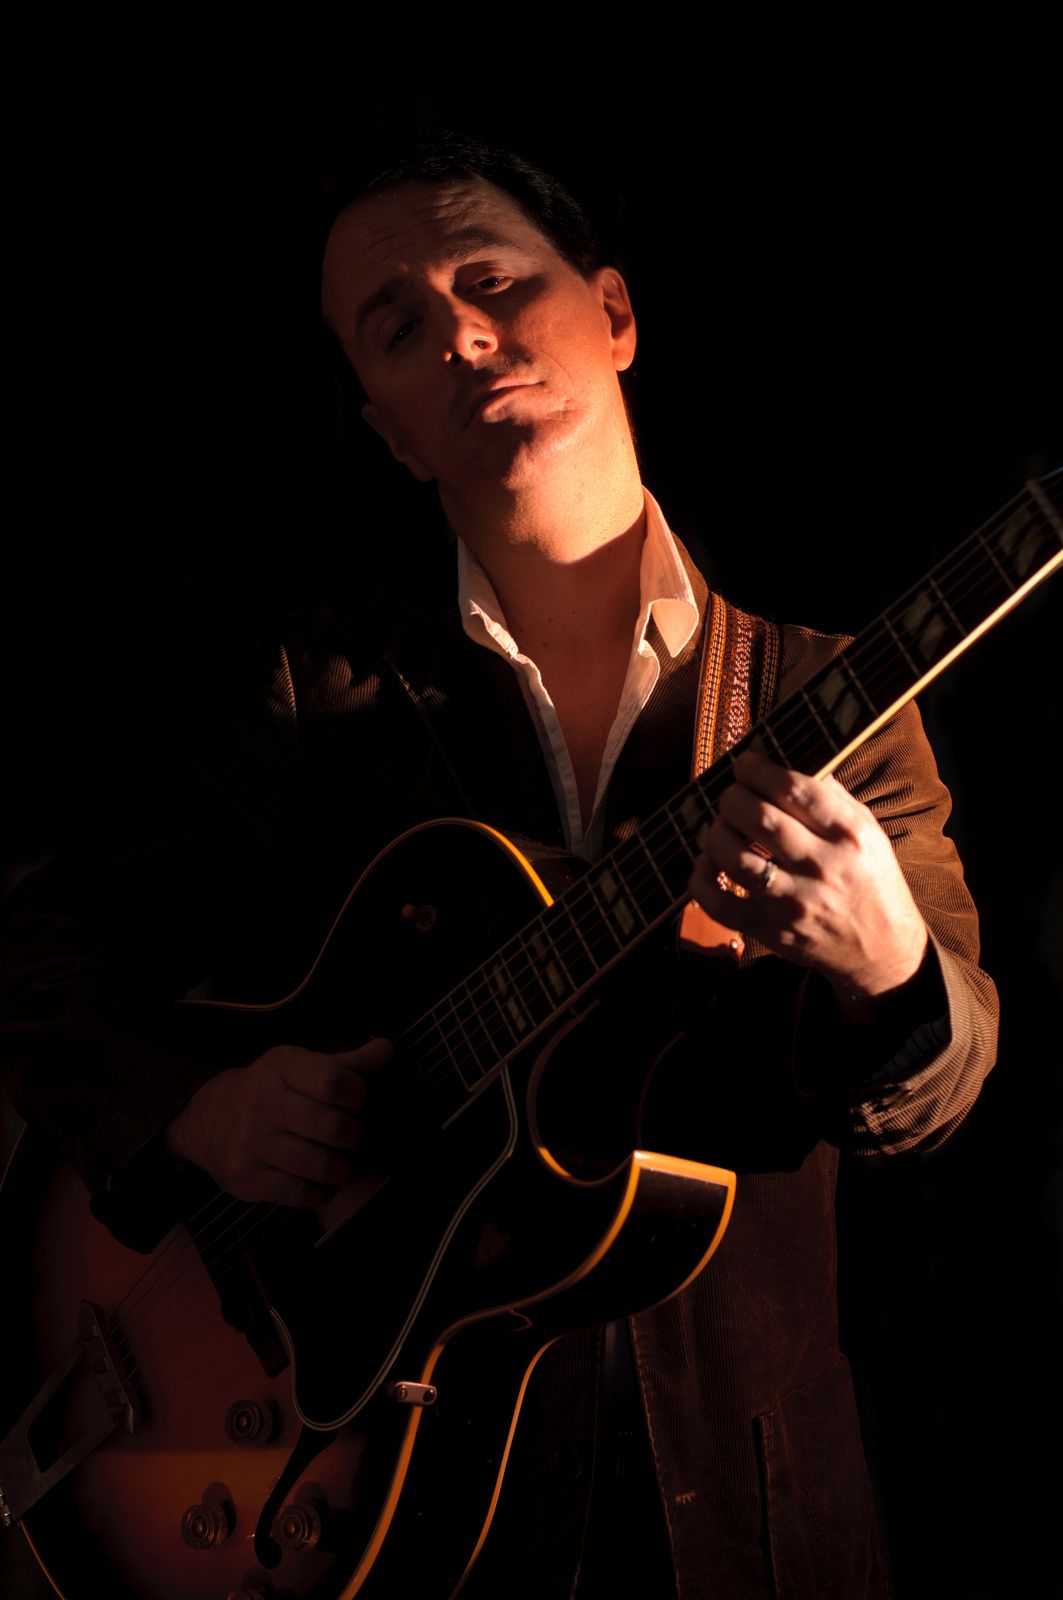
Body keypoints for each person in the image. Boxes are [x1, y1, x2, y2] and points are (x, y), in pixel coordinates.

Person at [0, 137, 999, 1598]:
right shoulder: (316, 709)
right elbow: (38, 954)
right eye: (400, 326)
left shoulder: (825, 701)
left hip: (752, 1527)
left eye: (492, 278)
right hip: (397, 1523)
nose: (464, 334)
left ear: (615, 312)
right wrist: (202, 1113)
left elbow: (947, 1073)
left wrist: (888, 963)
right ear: (392, 432)